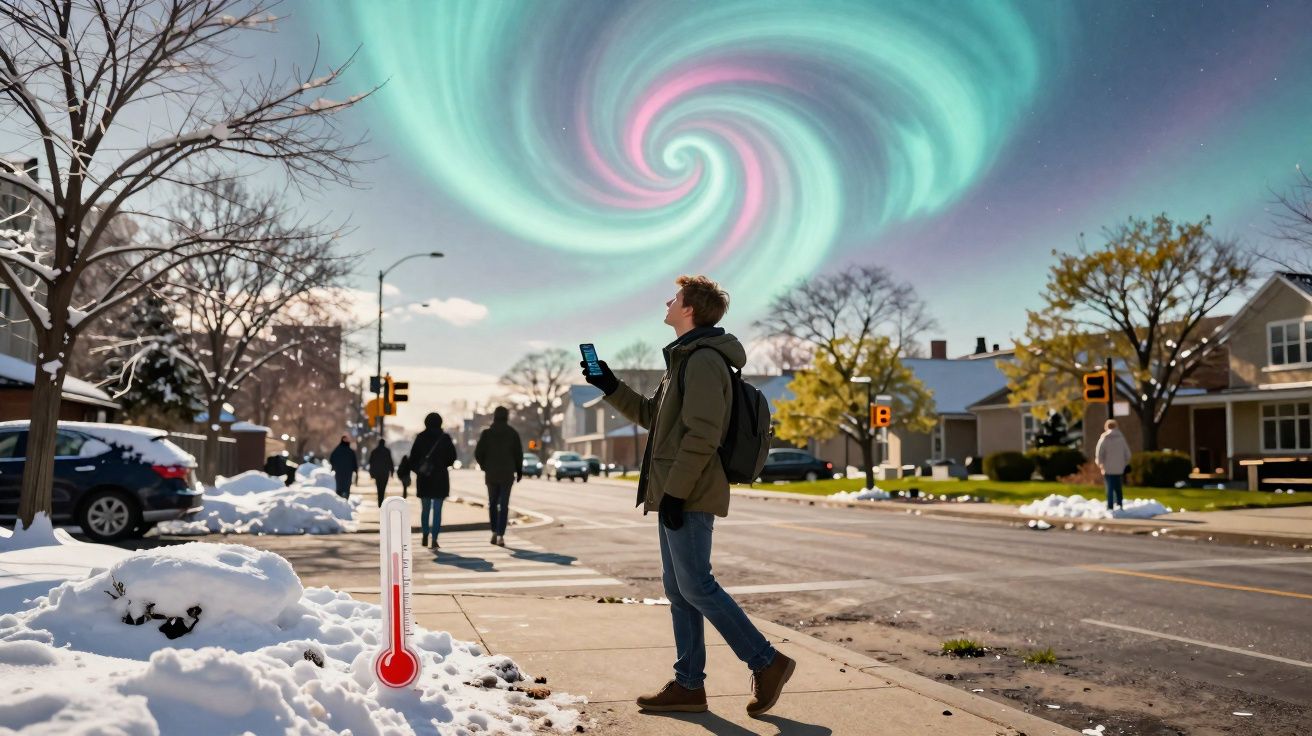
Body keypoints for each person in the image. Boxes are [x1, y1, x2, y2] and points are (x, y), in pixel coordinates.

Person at [582, 274, 794, 718]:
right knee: (679, 589)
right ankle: (689, 685)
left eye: (674, 297)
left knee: (697, 584)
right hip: (675, 489)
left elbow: (702, 434)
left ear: (690, 309)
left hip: (689, 489)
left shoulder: (702, 362)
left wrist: (676, 493)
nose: (667, 301)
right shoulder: (683, 360)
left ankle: (767, 661)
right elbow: (652, 417)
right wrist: (609, 385)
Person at [474, 405, 523, 547]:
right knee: (504, 505)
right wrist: (519, 471)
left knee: (492, 503)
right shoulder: (512, 433)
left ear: (494, 416)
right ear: (507, 416)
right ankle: (501, 534)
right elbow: (518, 454)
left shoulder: (487, 433)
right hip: (507, 474)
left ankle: (494, 531)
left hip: (491, 474)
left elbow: (478, 453)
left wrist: (485, 466)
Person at [409, 412, 457, 549]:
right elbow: (452, 457)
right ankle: (434, 538)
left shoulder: (420, 437)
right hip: (440, 479)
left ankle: (425, 533)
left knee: (425, 509)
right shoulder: (445, 438)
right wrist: (442, 464)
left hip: (424, 478)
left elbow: (413, 459)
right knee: (437, 510)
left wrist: (420, 469)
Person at [1096, 419, 1132, 511]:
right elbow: (1128, 455)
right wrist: (1123, 464)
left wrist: (1101, 465)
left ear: (1106, 427)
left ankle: (1110, 506)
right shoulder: (1121, 439)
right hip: (1119, 468)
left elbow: (1099, 454)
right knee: (1118, 487)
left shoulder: (1104, 439)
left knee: (1110, 488)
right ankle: (1120, 504)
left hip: (1107, 468)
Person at [328, 435, 357, 500]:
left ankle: (340, 502)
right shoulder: (350, 451)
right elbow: (354, 463)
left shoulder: (337, 450)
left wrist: (334, 467)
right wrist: (355, 470)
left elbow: (332, 459)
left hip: (339, 472)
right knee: (346, 487)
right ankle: (345, 500)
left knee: (340, 487)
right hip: (347, 473)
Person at [368, 439, 395, 507]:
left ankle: (380, 500)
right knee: (383, 487)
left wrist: (371, 473)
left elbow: (371, 462)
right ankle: (381, 500)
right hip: (385, 473)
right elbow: (390, 462)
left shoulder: (374, 451)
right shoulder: (387, 451)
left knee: (378, 486)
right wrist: (392, 472)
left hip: (377, 473)